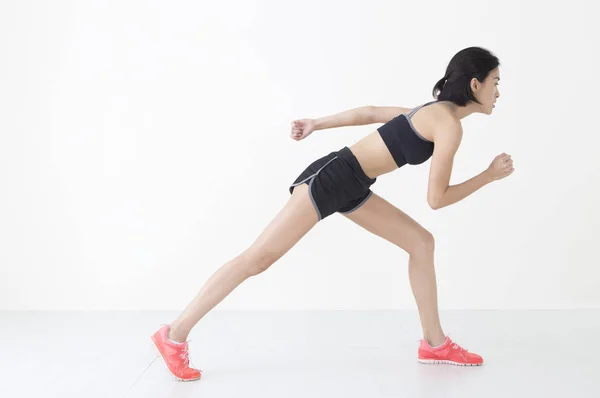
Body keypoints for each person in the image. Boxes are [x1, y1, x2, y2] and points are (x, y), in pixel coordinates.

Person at [151, 46, 513, 380]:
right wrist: (488, 176)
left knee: (421, 243)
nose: (498, 92)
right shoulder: (447, 124)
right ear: (475, 84)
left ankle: (434, 344)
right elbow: (436, 199)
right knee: (257, 259)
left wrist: (316, 123)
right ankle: (174, 335)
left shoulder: (436, 114)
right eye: (495, 83)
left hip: (353, 183)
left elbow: (371, 113)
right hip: (332, 178)